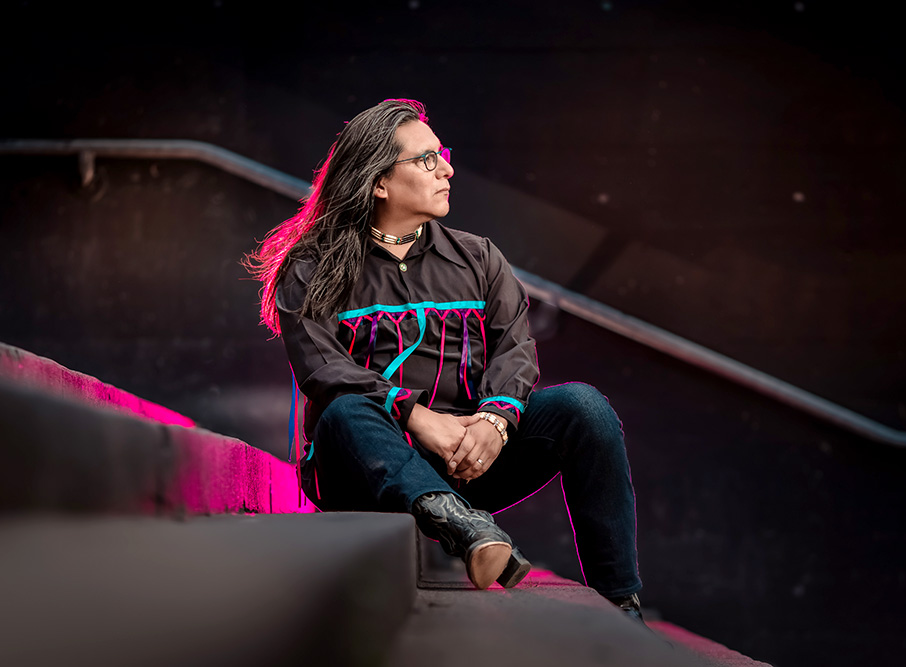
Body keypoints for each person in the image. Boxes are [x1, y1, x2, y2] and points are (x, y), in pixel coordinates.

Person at [244, 98, 643, 618]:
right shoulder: (312, 266)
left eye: (443, 155)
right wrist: (415, 416)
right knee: (343, 410)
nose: (447, 169)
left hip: (466, 459)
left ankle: (621, 603)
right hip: (363, 471)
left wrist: (496, 422)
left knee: (584, 407)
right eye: (427, 159)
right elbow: (322, 368)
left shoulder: (478, 257)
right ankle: (462, 526)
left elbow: (515, 349)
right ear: (379, 182)